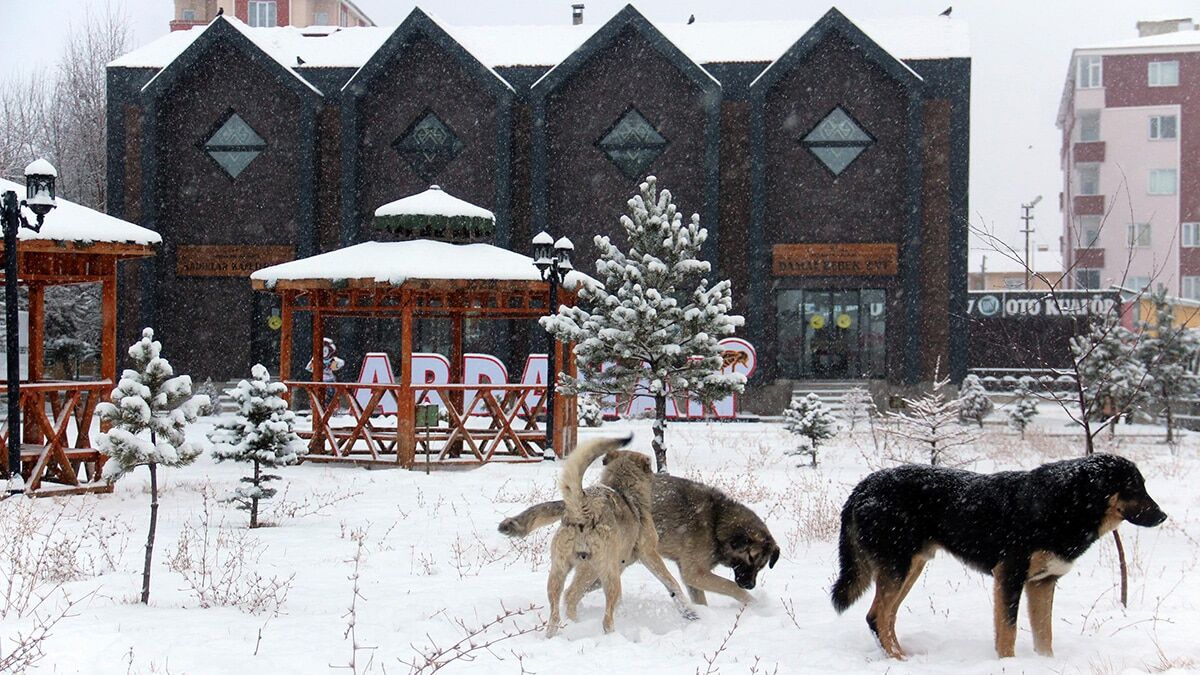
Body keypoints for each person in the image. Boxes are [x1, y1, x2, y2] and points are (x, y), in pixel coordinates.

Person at [305, 338, 345, 410]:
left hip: (330, 380)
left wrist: (334, 365)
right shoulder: (315, 359)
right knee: (319, 394)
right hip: (319, 379)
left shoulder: (333, 359)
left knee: (331, 394)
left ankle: (332, 407)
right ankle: (318, 406)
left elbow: (341, 363)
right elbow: (308, 368)